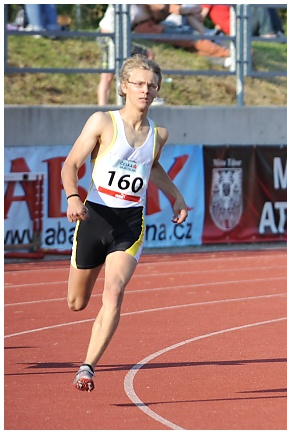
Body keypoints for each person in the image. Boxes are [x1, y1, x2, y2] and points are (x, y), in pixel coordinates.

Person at [61, 54, 188, 392]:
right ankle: (86, 355)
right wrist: (73, 197)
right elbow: (71, 164)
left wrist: (176, 196)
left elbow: (151, 166)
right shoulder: (103, 122)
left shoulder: (158, 134)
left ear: (157, 91)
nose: (145, 90)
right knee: (76, 302)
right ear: (124, 87)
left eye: (152, 86)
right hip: (95, 216)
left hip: (129, 223)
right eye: (139, 84)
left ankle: (87, 368)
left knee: (114, 292)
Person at [97, 5, 158, 106]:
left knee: (108, 75)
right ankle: (103, 107)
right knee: (108, 75)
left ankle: (146, 92)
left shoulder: (140, 8)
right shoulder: (126, 6)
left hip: (117, 38)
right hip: (109, 36)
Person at [131, 4, 230, 64]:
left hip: (150, 24)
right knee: (190, 37)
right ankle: (227, 54)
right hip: (144, 27)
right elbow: (161, 6)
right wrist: (185, 10)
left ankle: (223, 56)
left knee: (189, 40)